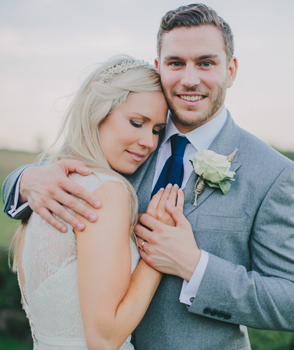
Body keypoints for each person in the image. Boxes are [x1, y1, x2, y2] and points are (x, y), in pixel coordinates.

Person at [3, 4, 294, 350]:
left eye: (206, 63)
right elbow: (62, 168)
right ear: (159, 67)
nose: (189, 78)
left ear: (231, 70)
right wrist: (24, 180)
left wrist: (195, 266)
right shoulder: (125, 134)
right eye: (176, 63)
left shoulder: (273, 173)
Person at [5, 54, 187, 349]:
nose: (150, 142)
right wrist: (158, 252)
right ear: (97, 113)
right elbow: (104, 338)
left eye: (156, 130)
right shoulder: (105, 190)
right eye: (136, 122)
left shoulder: (49, 188)